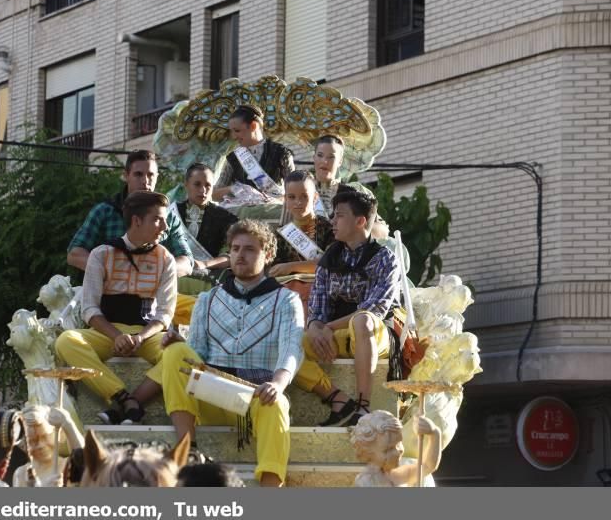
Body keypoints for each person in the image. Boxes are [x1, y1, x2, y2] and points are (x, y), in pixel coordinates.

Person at [157, 219, 305, 487]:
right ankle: (187, 452)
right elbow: (197, 353)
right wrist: (181, 343)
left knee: (278, 404)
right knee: (175, 351)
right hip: (212, 390)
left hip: (253, 395)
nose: (240, 255)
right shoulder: (208, 298)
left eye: (249, 249)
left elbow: (291, 349)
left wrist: (277, 384)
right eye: (235, 249)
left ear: (268, 255)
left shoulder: (287, 299)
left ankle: (270, 495)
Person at [55, 191, 177, 425]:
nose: (164, 226)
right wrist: (117, 336)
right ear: (137, 220)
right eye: (158, 219)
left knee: (183, 357)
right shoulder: (101, 253)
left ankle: (130, 403)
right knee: (66, 341)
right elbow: (89, 309)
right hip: (107, 333)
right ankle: (120, 396)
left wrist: (140, 337)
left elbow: (165, 313)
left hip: (147, 335)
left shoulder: (166, 258)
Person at [293, 189, 401, 427]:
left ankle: (363, 406)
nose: (332, 221)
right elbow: (317, 308)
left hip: (375, 334)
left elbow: (375, 310)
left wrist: (326, 328)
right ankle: (337, 399)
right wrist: (314, 327)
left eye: (339, 215)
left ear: (361, 220)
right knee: (285, 341)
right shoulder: (329, 259)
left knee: (362, 320)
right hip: (334, 334)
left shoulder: (385, 258)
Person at [67, 149, 193, 278]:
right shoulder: (104, 211)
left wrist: (156, 272)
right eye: (138, 174)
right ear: (126, 175)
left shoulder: (169, 217)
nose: (145, 181)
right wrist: (110, 270)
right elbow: (74, 254)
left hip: (153, 292)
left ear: (157, 177)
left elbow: (187, 262)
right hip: (108, 293)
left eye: (151, 175)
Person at [270, 170, 335, 316]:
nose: (298, 202)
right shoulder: (280, 235)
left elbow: (329, 264)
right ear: (285, 199)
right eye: (292, 197)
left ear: (315, 198)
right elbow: (275, 271)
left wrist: (291, 267)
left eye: (304, 196)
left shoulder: (330, 229)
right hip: (288, 298)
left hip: (323, 293)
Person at [213, 105, 295, 201]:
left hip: (274, 213)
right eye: (232, 132)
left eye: (237, 131)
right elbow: (214, 195)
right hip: (243, 213)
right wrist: (234, 189)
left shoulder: (281, 153)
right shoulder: (233, 158)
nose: (234, 137)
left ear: (253, 126)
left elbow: (295, 189)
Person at [351, 410, 442, 487]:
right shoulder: (366, 482)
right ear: (367, 454)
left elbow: (428, 466)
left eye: (399, 443)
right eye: (388, 450)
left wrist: (435, 433)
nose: (397, 451)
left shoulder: (402, 472)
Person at [177, 163, 239, 274]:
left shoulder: (226, 218)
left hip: (208, 276)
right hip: (173, 270)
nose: (203, 190)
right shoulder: (171, 212)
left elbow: (232, 254)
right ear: (186, 185)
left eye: (208, 185)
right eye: (197, 184)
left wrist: (204, 264)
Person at [312, 135, 345, 217]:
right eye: (320, 155)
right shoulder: (299, 188)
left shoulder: (350, 194)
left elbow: (379, 227)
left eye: (331, 157)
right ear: (314, 157)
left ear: (340, 161)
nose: (324, 161)